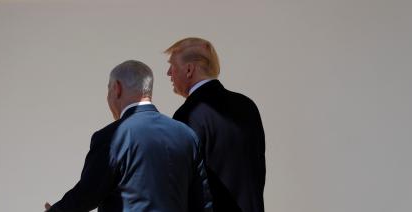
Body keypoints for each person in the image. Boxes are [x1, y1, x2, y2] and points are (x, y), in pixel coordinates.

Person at [45, 60, 212, 212]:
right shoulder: (187, 135)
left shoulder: (112, 136)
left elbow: (87, 194)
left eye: (108, 89)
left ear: (116, 88)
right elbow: (203, 204)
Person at [164, 38, 266, 212]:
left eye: (172, 65)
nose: (168, 73)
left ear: (189, 70)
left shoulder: (187, 114)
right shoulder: (247, 105)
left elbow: (182, 183)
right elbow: (258, 170)